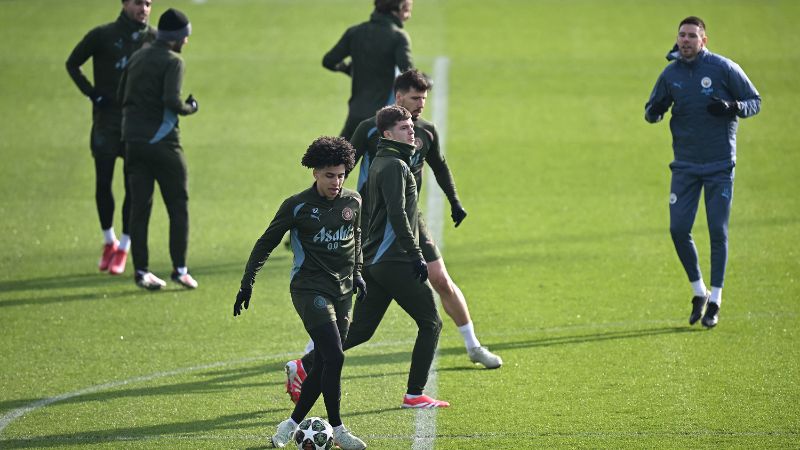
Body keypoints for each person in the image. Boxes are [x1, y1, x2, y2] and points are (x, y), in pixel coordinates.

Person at [285, 70, 501, 389]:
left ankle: (473, 346)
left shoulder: (424, 132)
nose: (421, 104)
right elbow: (340, 169)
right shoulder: (372, 130)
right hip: (373, 221)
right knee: (352, 294)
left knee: (440, 278)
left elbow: (439, 165)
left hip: (412, 220)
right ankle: (313, 352)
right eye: (415, 98)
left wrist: (454, 201)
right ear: (399, 96)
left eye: (424, 98)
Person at [293, 106, 449, 409]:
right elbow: (398, 214)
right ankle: (414, 393)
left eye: (411, 126)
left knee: (361, 330)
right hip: (394, 260)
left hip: (377, 260)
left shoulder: (382, 160)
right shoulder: (395, 165)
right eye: (404, 127)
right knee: (431, 322)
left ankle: (304, 365)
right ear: (387, 134)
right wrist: (416, 253)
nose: (411, 130)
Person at [233, 137, 367, 450]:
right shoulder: (297, 205)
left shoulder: (353, 202)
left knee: (322, 361)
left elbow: (357, 237)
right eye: (329, 175)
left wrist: (358, 272)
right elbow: (265, 242)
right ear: (315, 174)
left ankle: (289, 426)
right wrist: (247, 282)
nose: (337, 181)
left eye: (341, 174)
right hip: (309, 288)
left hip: (343, 290)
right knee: (334, 354)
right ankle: (338, 429)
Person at [644, 16, 760, 328]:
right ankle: (700, 291)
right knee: (678, 229)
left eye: (692, 36)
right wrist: (654, 113)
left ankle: (717, 300)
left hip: (720, 165)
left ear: (703, 41)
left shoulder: (723, 68)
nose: (685, 40)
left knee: (717, 231)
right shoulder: (670, 75)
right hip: (685, 166)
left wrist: (733, 106)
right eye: (681, 35)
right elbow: (651, 110)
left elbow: (755, 100)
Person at [66, 0, 156, 275]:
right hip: (106, 124)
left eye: (149, 3)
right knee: (103, 182)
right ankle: (109, 240)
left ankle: (124, 246)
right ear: (125, 4)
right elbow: (73, 63)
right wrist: (93, 94)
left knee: (133, 185)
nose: (144, 8)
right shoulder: (102, 35)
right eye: (138, 3)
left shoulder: (154, 39)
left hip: (135, 127)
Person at [119, 8, 199, 290]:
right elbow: (172, 100)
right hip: (164, 145)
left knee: (140, 208)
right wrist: (190, 107)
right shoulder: (173, 61)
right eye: (185, 36)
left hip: (133, 143)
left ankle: (141, 272)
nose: (186, 42)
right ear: (176, 37)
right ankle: (180, 269)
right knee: (178, 205)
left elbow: (121, 95)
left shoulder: (138, 55)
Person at [322, 0, 414, 139]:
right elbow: (408, 74)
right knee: (383, 159)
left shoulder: (355, 32)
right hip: (382, 119)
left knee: (339, 157)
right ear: (398, 9)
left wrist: (349, 69)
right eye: (407, 10)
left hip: (356, 113)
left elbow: (329, 61)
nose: (409, 16)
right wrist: (424, 80)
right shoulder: (398, 36)